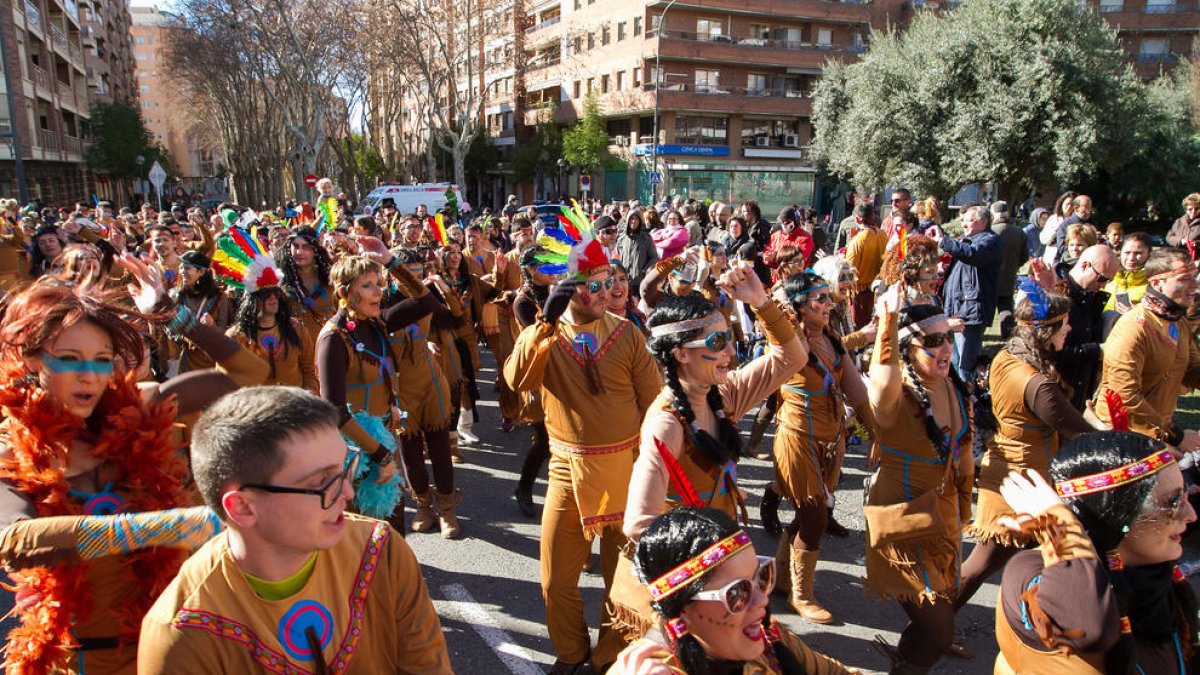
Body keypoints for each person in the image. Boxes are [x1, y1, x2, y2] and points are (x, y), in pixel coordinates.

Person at [0, 255, 268, 674]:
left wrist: (172, 315)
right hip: (79, 660)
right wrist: (177, 525)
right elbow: (13, 541)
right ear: (34, 361)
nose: (89, 375)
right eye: (69, 359)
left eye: (101, 359)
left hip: (170, 646)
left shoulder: (137, 410)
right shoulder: (10, 448)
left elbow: (249, 375)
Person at [137, 386, 453, 674]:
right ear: (243, 508)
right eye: (321, 482)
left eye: (345, 468)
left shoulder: (381, 549)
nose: (348, 493)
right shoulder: (181, 634)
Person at [611, 263, 805, 636]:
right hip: (687, 581)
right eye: (717, 343)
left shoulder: (723, 393)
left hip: (722, 568)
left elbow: (791, 358)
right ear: (681, 354)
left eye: (729, 337)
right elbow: (637, 523)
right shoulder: (667, 424)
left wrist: (760, 301)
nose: (731, 352)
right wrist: (712, 559)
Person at [504, 224, 662, 674]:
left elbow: (655, 404)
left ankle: (610, 654)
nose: (601, 293)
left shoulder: (627, 334)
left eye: (606, 283)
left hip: (625, 471)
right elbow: (517, 381)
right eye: (590, 285)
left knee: (623, 581)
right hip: (566, 471)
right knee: (555, 580)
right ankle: (571, 654)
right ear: (566, 287)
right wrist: (545, 322)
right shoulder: (545, 332)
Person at [994, 431, 1199, 674]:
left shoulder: (1153, 572)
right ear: (1115, 512)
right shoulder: (1029, 572)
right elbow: (1088, 627)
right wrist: (1059, 525)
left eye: (1186, 494)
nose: (1191, 516)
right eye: (1173, 503)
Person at [957, 282, 1095, 611]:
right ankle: (926, 631)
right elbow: (1079, 431)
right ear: (1046, 331)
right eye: (1064, 324)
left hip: (1018, 472)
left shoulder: (1009, 354)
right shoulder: (1037, 384)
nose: (1070, 328)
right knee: (980, 566)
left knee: (1041, 559)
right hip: (1020, 483)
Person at [611, 507, 858, 675]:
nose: (762, 599)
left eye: (762, 576)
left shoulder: (770, 637)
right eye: (737, 593)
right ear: (682, 608)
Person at [865, 298, 975, 674]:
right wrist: (887, 322)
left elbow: (963, 450)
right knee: (939, 628)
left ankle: (909, 661)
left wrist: (963, 509)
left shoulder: (953, 386)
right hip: (902, 517)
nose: (944, 348)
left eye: (948, 337)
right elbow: (881, 382)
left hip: (939, 516)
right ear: (907, 351)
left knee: (935, 620)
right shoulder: (899, 394)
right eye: (932, 341)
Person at [769, 272, 872, 624]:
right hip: (797, 436)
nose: (830, 304)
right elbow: (772, 322)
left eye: (830, 298)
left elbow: (856, 390)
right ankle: (802, 594)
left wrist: (876, 434)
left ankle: (783, 579)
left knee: (809, 513)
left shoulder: (830, 337)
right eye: (821, 299)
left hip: (831, 438)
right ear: (800, 304)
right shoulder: (790, 336)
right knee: (815, 515)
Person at [315, 254, 438, 528]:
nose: (379, 291)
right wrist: (379, 455)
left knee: (391, 527)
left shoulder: (375, 322)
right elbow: (333, 411)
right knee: (365, 533)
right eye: (368, 285)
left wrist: (391, 261)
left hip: (384, 438)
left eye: (379, 283)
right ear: (344, 293)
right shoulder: (333, 339)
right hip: (356, 452)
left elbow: (427, 301)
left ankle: (395, 571)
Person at [1093, 247, 1200, 450]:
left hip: (1156, 432)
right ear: (1157, 283)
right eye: (1185, 279)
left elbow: (1192, 370)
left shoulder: (1179, 322)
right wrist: (1174, 435)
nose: (1194, 286)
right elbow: (1124, 394)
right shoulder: (1134, 326)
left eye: (1194, 278)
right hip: (1121, 435)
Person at [220, 231, 317, 392]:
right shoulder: (236, 337)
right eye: (266, 295)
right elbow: (226, 382)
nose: (273, 298)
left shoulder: (296, 329)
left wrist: (309, 396)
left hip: (295, 408)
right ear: (252, 301)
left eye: (276, 293)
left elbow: (309, 370)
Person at [934, 204, 1002, 382]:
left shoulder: (989, 241)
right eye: (963, 220)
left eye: (970, 221)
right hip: (958, 307)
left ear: (984, 222)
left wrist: (944, 241)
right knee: (954, 360)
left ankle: (971, 400)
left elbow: (973, 255)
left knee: (966, 363)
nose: (964, 225)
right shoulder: (966, 240)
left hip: (971, 309)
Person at [278, 226, 336, 346]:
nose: (299, 252)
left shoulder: (331, 279)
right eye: (295, 246)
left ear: (315, 249)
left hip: (330, 346)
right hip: (295, 352)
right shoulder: (281, 282)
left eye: (306, 246)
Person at [991, 201, 1029, 339]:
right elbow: (1025, 256)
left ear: (993, 214)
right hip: (1009, 275)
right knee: (1006, 307)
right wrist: (1014, 266)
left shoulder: (988, 231)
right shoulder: (1019, 232)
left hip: (989, 277)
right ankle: (1008, 334)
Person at [845, 202, 886, 329]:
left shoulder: (859, 239)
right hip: (877, 289)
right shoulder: (882, 234)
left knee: (859, 328)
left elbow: (849, 268)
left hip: (859, 292)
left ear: (857, 219)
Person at [1104, 231, 1152, 318]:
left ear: (1149, 254)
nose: (1131, 258)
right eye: (1127, 253)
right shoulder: (1107, 277)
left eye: (1138, 253)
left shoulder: (1154, 284)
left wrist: (1135, 314)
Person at [615, 209, 657, 299]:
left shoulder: (646, 238)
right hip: (624, 281)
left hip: (640, 282)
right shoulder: (621, 238)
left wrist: (644, 270)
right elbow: (616, 257)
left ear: (640, 221)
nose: (633, 221)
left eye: (636, 219)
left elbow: (654, 257)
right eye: (631, 218)